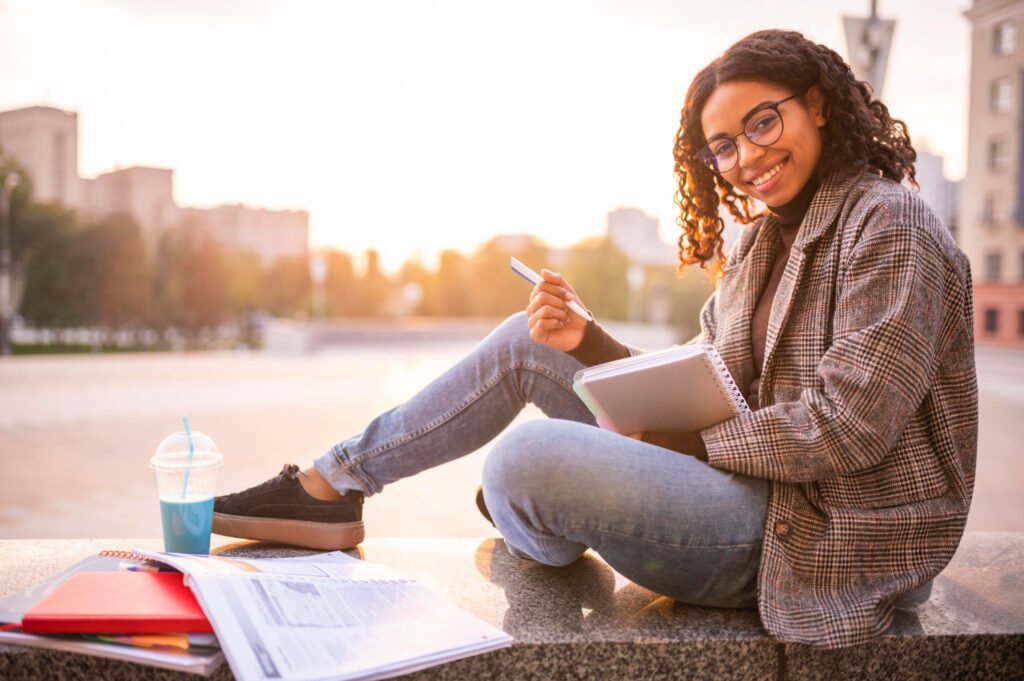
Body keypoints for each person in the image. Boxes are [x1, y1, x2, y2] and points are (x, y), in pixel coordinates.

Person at [212, 29, 977, 649]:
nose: (746, 158)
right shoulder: (761, 243)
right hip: (753, 489)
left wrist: (671, 442)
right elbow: (705, 378)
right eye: (723, 147)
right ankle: (333, 485)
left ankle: (542, 511)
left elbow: (847, 427)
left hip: (819, 535)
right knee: (531, 339)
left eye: (762, 123)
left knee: (524, 460)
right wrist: (589, 343)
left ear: (816, 105)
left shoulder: (889, 224)